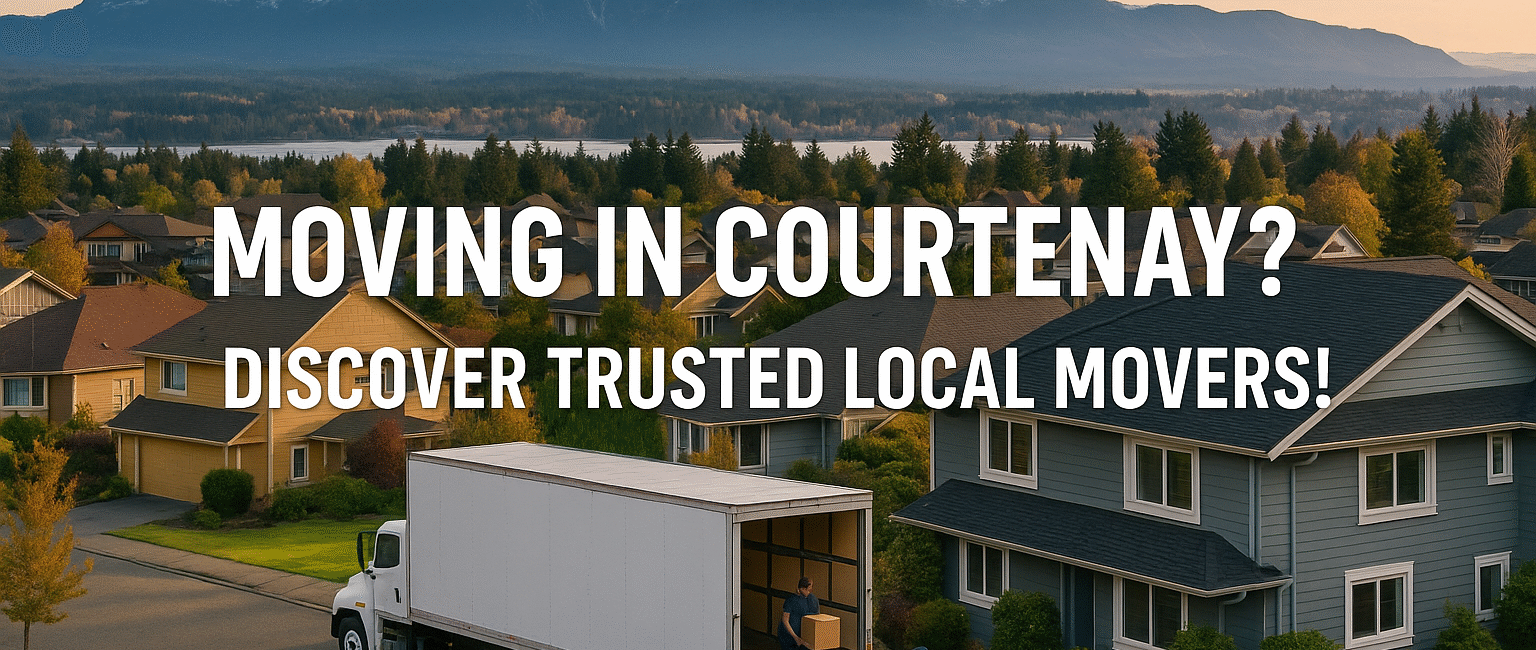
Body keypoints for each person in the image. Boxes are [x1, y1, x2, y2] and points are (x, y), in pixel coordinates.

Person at [778, 576, 820, 649]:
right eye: (808, 589)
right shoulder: (791, 600)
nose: (810, 591)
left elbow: (816, 618)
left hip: (805, 636)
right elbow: (785, 620)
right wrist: (795, 637)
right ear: (802, 588)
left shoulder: (813, 599)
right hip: (790, 636)